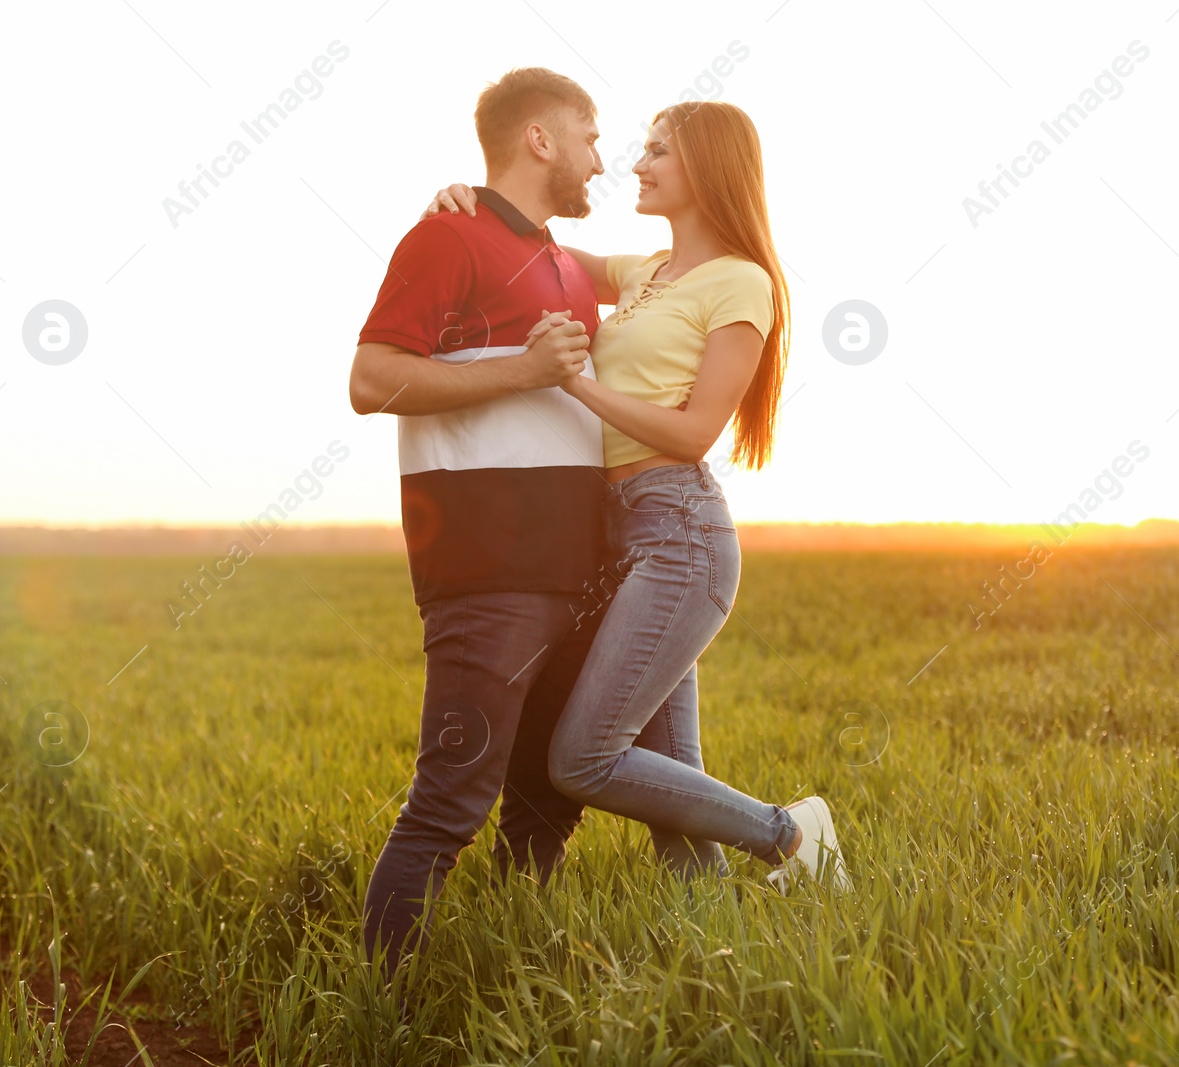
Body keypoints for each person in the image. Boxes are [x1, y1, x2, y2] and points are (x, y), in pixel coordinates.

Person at [423, 100, 849, 893]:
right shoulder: (646, 272)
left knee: (583, 756)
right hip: (623, 538)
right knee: (672, 786)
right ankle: (712, 948)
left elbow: (693, 433)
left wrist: (575, 383)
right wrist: (467, 203)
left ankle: (791, 833)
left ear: (708, 169)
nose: (637, 163)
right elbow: (534, 252)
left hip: (680, 533)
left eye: (658, 151)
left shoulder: (742, 283)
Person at [347, 67, 617, 971]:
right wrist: (524, 372)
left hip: (580, 581)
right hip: (487, 575)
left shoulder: (570, 266)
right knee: (449, 806)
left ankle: (506, 980)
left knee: (547, 802)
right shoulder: (443, 238)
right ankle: (382, 1015)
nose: (600, 159)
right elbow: (372, 380)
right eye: (588, 136)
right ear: (540, 139)